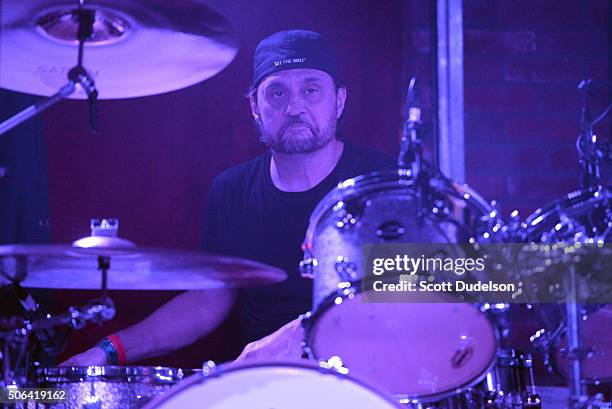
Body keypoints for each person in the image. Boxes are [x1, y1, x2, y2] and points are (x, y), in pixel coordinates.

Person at [62, 29, 396, 366]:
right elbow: (206, 302)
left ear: (338, 100)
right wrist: (108, 350)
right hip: (261, 384)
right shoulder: (231, 191)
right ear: (254, 105)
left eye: (311, 90)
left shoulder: (387, 184)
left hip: (365, 379)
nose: (295, 107)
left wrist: (298, 337)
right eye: (277, 92)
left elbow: (414, 293)